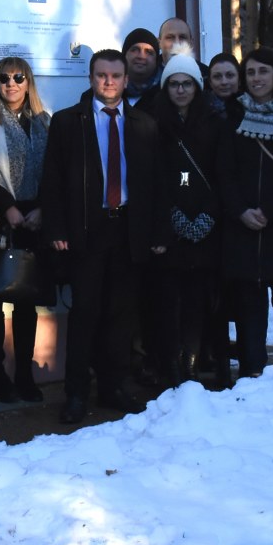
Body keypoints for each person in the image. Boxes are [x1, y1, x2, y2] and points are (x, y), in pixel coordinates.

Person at [40, 48, 169, 422]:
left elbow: (158, 183)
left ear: (126, 80)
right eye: (101, 75)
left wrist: (158, 230)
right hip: (87, 230)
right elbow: (52, 179)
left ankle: (114, 386)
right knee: (85, 313)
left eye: (115, 76)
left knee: (121, 315)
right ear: (91, 78)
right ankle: (76, 393)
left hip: (129, 228)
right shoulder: (68, 122)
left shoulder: (145, 124)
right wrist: (56, 227)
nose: (108, 82)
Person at [217, 46, 273, 378]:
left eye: (263, 71)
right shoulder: (232, 116)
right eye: (251, 72)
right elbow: (224, 171)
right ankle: (252, 367)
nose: (257, 78)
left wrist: (269, 210)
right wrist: (241, 210)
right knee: (250, 303)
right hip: (243, 226)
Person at [0, 57, 51, 403]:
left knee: (26, 302)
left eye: (18, 77)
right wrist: (8, 207)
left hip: (33, 220)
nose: (11, 84)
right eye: (4, 78)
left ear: (28, 81)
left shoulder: (44, 122)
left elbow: (55, 170)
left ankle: (24, 376)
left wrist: (41, 209)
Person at [144, 53, 224, 386]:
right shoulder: (153, 124)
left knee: (196, 302)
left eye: (187, 84)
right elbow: (152, 177)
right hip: (169, 228)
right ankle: (170, 367)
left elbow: (223, 174)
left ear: (197, 87)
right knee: (167, 303)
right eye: (174, 84)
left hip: (205, 226)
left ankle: (190, 365)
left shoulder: (214, 123)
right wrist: (172, 216)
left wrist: (208, 215)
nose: (180, 90)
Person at [122, 27, 161, 105]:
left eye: (148, 52)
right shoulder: (107, 89)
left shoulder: (168, 93)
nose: (141, 56)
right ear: (124, 55)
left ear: (156, 60)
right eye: (135, 50)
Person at [206, 52, 243, 126]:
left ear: (239, 80)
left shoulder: (253, 109)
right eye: (217, 76)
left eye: (230, 75)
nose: (224, 82)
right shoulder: (198, 110)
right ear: (210, 82)